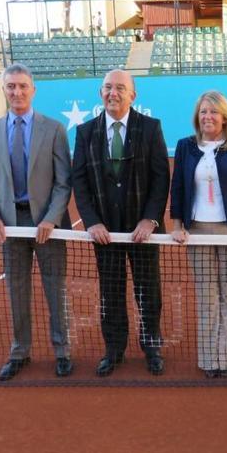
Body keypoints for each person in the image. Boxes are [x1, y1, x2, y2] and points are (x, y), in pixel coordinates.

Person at [0, 63, 74, 382]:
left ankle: (62, 351)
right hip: (10, 224)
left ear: (33, 89)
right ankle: (20, 351)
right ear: (3, 90)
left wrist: (51, 218)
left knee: (54, 289)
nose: (16, 92)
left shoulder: (55, 129)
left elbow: (63, 181)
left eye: (22, 86)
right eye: (10, 87)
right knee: (17, 290)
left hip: (47, 224)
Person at [72, 69, 170, 377]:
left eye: (120, 88)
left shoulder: (150, 127)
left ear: (132, 95)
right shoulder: (86, 132)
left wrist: (150, 219)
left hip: (143, 232)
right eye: (107, 87)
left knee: (148, 291)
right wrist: (91, 222)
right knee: (110, 292)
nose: (113, 93)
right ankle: (114, 349)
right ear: (101, 92)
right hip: (105, 234)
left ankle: (151, 346)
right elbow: (80, 181)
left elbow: (160, 178)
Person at [170, 91, 227, 378]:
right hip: (197, 230)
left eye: (213, 112)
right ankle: (210, 359)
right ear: (197, 117)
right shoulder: (185, 146)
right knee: (206, 295)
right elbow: (178, 188)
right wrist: (176, 226)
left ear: (224, 118)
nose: (207, 117)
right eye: (203, 112)